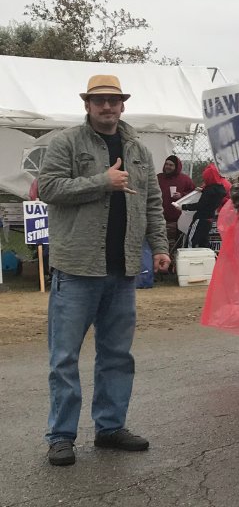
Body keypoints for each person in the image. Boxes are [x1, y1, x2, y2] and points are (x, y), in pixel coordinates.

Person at [37, 74, 170, 466]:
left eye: (114, 100)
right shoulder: (66, 142)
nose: (107, 107)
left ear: (123, 104)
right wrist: (102, 182)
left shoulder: (139, 150)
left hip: (124, 269)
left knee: (117, 355)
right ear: (88, 105)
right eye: (100, 101)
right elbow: (47, 188)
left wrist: (160, 247)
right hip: (77, 268)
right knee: (65, 358)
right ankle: (61, 436)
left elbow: (151, 203)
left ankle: (110, 428)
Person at [182, 163, 230, 248]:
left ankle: (189, 257)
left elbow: (201, 205)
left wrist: (184, 207)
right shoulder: (220, 188)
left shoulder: (209, 190)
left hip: (200, 218)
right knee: (204, 240)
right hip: (210, 218)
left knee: (191, 239)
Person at [157, 154, 195, 260]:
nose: (168, 167)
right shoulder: (159, 177)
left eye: (171, 165)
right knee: (157, 242)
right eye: (166, 164)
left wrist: (181, 195)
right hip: (158, 217)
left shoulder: (185, 180)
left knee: (171, 243)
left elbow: (193, 195)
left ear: (176, 167)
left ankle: (169, 264)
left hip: (175, 219)